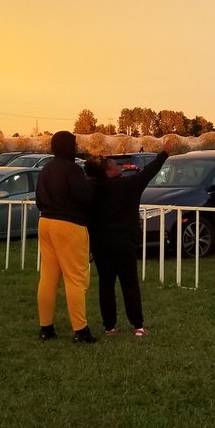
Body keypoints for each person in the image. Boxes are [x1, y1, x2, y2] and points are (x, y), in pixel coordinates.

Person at [87, 150, 168, 337]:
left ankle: (109, 328)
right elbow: (148, 173)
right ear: (109, 172)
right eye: (114, 165)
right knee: (129, 283)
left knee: (106, 284)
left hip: (101, 244)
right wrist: (164, 153)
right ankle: (138, 326)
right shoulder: (128, 186)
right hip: (124, 242)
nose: (119, 166)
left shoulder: (93, 190)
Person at [35, 130, 95, 343]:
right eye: (74, 143)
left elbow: (38, 199)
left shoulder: (45, 169)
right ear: (68, 146)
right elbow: (85, 197)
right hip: (69, 225)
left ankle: (46, 327)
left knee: (48, 278)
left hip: (45, 223)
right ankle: (80, 330)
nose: (76, 146)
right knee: (75, 278)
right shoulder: (73, 169)